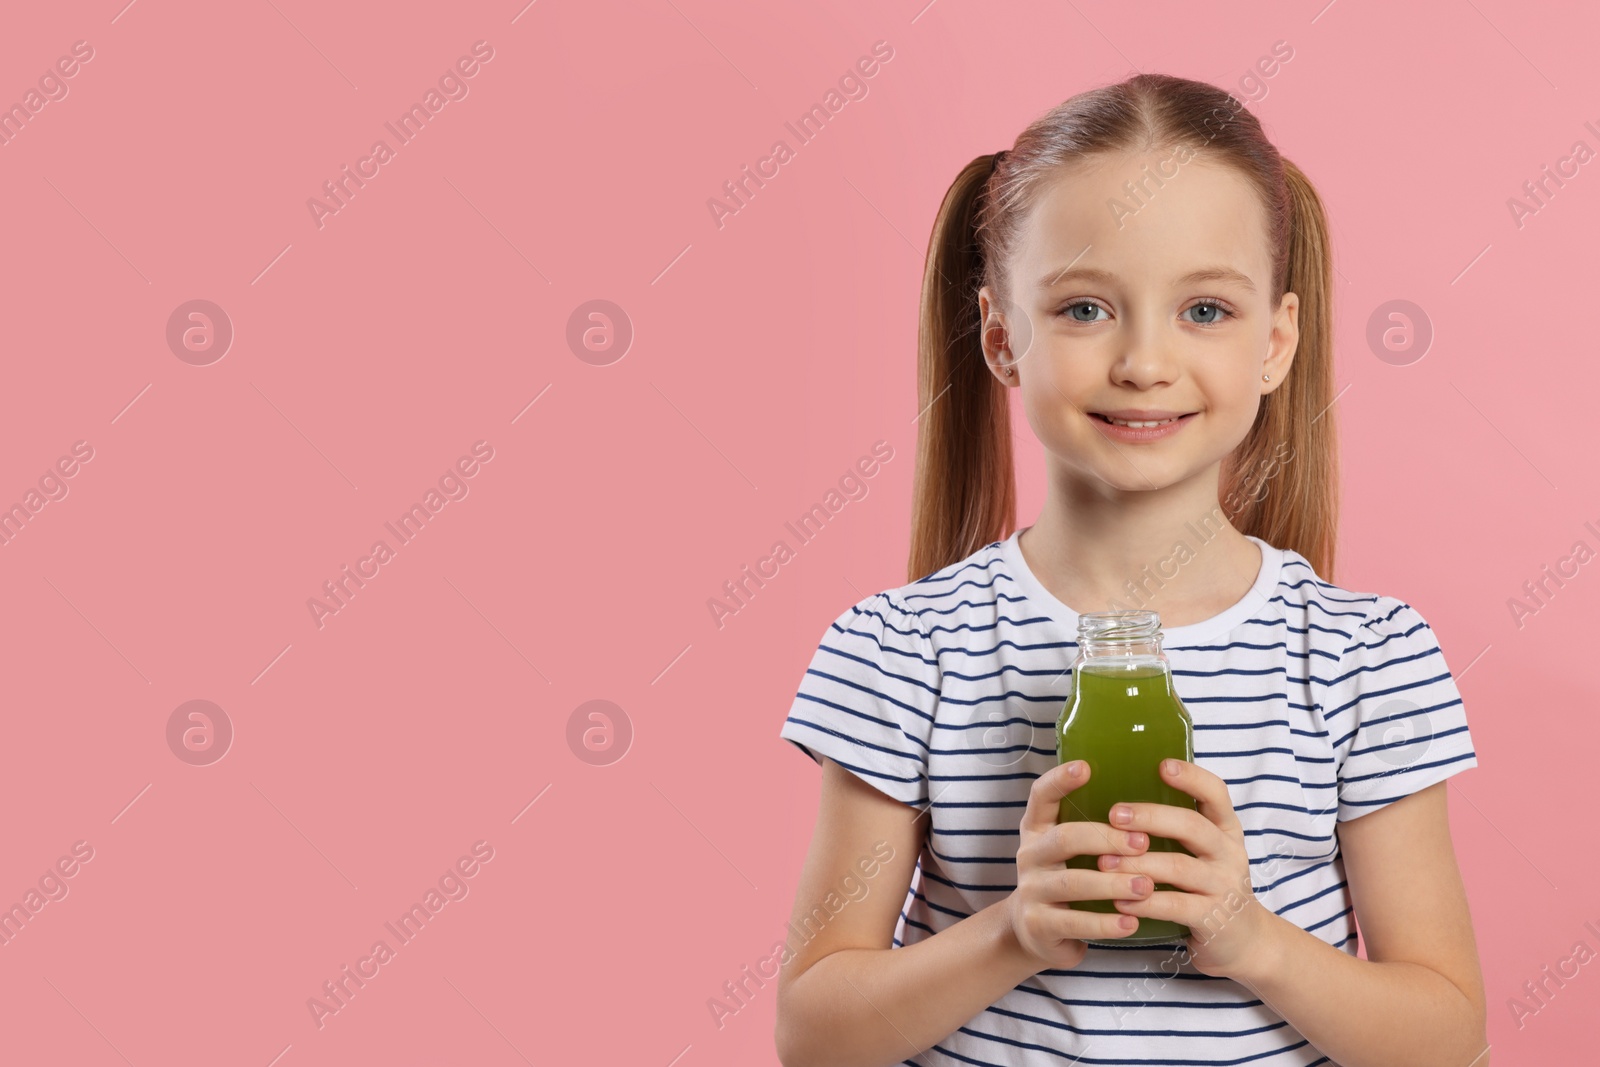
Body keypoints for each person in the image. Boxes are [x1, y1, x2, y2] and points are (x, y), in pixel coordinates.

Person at [773, 72, 1487, 1067]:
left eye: (1203, 309)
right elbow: (813, 1033)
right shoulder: (901, 649)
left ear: (1276, 342)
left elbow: (1447, 1038)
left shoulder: (1366, 654)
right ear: (998, 335)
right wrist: (1011, 930)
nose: (1144, 361)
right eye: (1081, 308)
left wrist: (1253, 938)